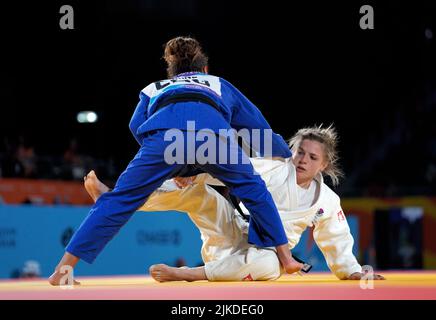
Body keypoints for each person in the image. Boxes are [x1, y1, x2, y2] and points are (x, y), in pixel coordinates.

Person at [48, 36, 301, 285]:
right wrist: (284, 153)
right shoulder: (218, 83)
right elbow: (255, 126)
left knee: (118, 201)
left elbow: (136, 125)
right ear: (205, 69)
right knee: (255, 191)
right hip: (212, 138)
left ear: (172, 72)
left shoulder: (154, 88)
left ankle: (62, 271)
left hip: (165, 139)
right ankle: (286, 259)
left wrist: (168, 163)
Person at [83, 125, 385, 281]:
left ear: (325, 165)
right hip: (231, 231)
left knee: (268, 266)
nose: (303, 159)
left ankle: (189, 274)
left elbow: (336, 239)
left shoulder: (327, 201)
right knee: (198, 194)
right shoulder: (275, 168)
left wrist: (352, 270)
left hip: (266, 255)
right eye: (300, 152)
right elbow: (231, 169)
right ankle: (115, 200)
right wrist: (194, 175)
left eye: (312, 157)